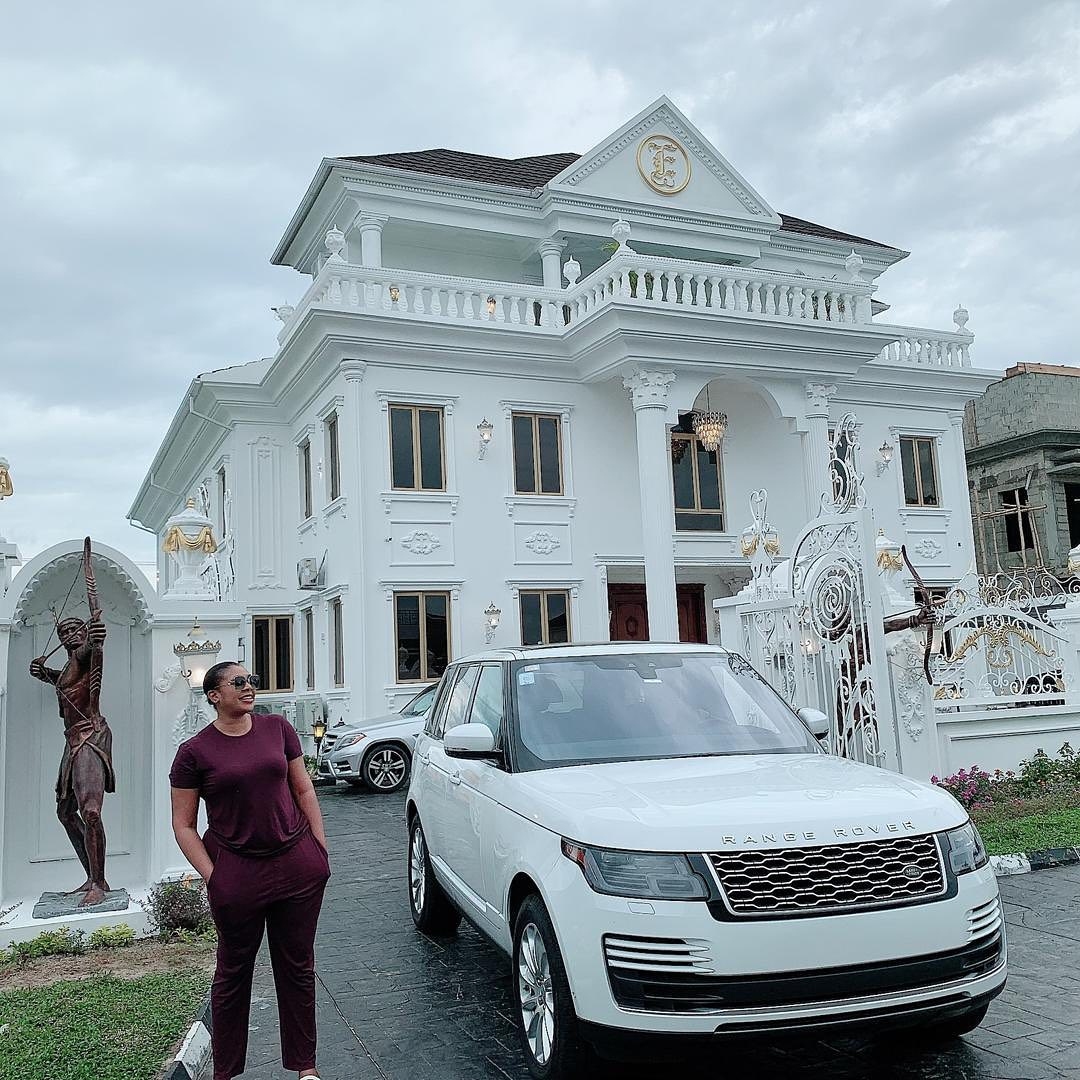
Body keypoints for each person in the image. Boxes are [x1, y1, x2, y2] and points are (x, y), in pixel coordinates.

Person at [170, 661, 331, 1080]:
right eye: (238, 682)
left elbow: (303, 788)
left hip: (295, 864)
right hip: (237, 871)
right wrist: (213, 875)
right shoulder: (194, 752)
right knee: (233, 974)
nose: (249, 687)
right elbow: (183, 825)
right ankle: (226, 1073)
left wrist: (319, 849)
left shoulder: (277, 728)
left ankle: (306, 1069)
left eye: (251, 680)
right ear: (213, 696)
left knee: (297, 967)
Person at [30, 611, 115, 907]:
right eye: (65, 630)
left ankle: (98, 883)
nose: (70, 633)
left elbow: (93, 647)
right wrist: (46, 674)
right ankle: (94, 877)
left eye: (75, 628)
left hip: (90, 735)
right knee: (66, 813)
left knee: (90, 811)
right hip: (72, 739)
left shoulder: (82, 655)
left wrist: (96, 632)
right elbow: (67, 683)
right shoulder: (69, 666)